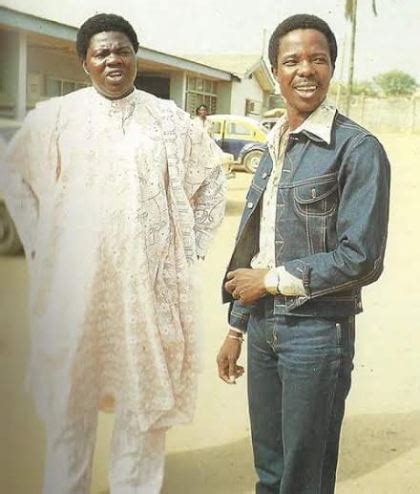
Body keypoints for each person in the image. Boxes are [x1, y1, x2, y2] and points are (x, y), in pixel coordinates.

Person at [1, 13, 225, 494]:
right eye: (101, 52)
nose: (113, 59)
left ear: (136, 56)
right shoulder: (57, 118)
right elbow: (13, 174)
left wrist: (190, 246)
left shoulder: (169, 120)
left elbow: (212, 176)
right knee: (69, 401)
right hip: (75, 291)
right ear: (85, 62)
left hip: (146, 291)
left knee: (142, 403)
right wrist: (42, 244)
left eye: (122, 50)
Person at [217, 14, 390, 494]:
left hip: (316, 333)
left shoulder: (357, 148)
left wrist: (269, 282)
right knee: (269, 469)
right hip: (263, 328)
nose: (305, 70)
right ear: (276, 71)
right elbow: (256, 247)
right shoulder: (273, 145)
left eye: (318, 59)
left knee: (303, 477)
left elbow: (363, 258)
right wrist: (237, 327)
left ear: (332, 67)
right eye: (292, 60)